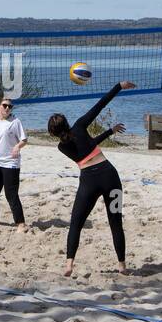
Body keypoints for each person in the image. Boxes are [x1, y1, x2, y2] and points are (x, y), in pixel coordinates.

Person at [48, 81, 134, 276]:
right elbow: (100, 104)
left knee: (76, 223)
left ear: (52, 133)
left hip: (89, 183)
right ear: (68, 123)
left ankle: (69, 264)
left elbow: (85, 148)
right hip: (111, 176)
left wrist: (109, 132)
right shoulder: (79, 125)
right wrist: (119, 86)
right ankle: (122, 266)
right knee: (115, 222)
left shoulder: (62, 147)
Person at [0, 97, 27, 232]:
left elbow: (24, 140)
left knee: (11, 195)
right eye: (5, 105)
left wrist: (18, 146)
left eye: (10, 106)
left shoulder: (15, 122)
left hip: (11, 163)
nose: (7, 108)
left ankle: (21, 224)